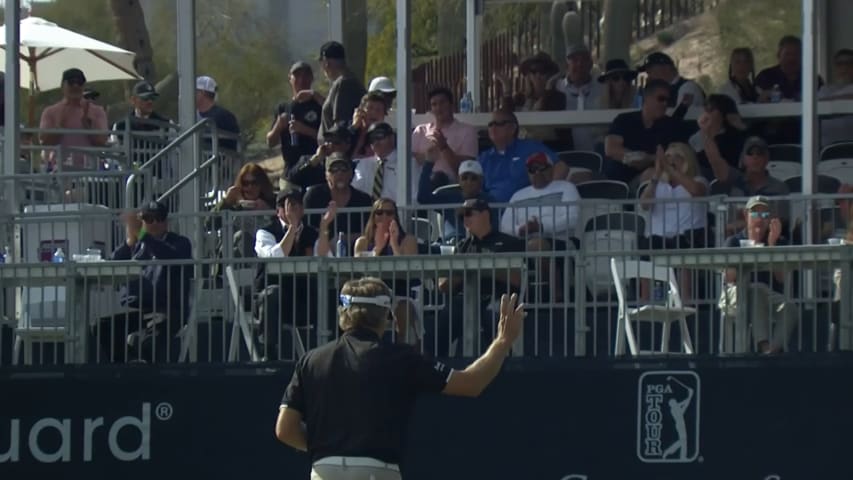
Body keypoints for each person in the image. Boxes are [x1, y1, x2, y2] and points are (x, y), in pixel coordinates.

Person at [275, 277, 525, 480]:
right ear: (387, 315)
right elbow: (472, 384)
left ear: (343, 313)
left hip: (324, 470)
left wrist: (325, 448)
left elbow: (285, 429)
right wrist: (503, 341)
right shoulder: (402, 358)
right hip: (378, 471)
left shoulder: (311, 360)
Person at [92, 200, 193, 363]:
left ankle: (144, 373)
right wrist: (129, 242)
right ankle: (129, 366)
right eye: (148, 218)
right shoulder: (137, 246)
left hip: (166, 310)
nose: (153, 223)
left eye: (158, 218)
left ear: (166, 221)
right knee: (101, 327)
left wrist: (143, 235)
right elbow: (113, 263)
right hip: (138, 310)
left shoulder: (180, 243)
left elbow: (171, 257)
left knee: (149, 343)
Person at [500, 152, 580, 301]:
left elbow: (572, 218)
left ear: (551, 169)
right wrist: (521, 230)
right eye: (532, 169)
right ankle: (510, 301)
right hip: (524, 241)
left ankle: (554, 296)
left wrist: (542, 227)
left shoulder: (566, 187)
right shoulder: (518, 195)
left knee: (537, 245)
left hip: (559, 240)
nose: (536, 172)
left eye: (541, 167)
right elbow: (505, 225)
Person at [723, 196, 797, 354]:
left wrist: (771, 246)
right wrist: (750, 250)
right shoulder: (734, 242)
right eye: (755, 214)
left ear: (770, 219)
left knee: (790, 307)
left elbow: (781, 277)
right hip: (738, 295)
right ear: (745, 215)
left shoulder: (778, 242)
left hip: (770, 295)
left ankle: (773, 349)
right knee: (756, 288)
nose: (760, 220)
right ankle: (763, 345)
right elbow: (729, 278)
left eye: (764, 215)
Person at [254, 189, 320, 360]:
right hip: (273, 300)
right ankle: (269, 353)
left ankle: (335, 351)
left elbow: (326, 258)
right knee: (271, 294)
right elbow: (275, 257)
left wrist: (326, 228)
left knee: (333, 295)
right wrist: (292, 228)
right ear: (278, 211)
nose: (293, 210)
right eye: (288, 206)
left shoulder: (312, 233)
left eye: (297, 205)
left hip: (303, 297)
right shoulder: (265, 233)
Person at [638, 144, 709, 300]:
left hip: (689, 235)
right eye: (668, 156)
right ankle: (645, 301)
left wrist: (671, 170)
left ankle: (685, 300)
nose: (670, 160)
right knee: (645, 248)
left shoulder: (699, 180)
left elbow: (697, 191)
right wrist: (656, 176)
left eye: (677, 156)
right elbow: (644, 204)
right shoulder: (658, 185)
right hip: (659, 237)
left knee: (682, 248)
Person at [353, 198, 422, 346]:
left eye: (389, 213)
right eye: (379, 213)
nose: (384, 217)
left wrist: (394, 245)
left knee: (403, 309)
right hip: (372, 295)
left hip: (401, 293)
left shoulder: (408, 240)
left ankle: (402, 351)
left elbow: (408, 269)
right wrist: (377, 249)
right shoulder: (363, 242)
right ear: (373, 216)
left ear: (395, 216)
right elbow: (360, 269)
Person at [603, 79, 687, 184]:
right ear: (647, 98)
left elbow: (679, 157)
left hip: (652, 180)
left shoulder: (671, 126)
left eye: (668, 101)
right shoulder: (624, 119)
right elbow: (611, 149)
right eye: (661, 99)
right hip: (618, 181)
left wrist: (649, 159)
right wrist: (635, 157)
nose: (665, 104)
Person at [111, 81, 175, 202]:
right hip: (131, 181)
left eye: (152, 98)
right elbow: (116, 155)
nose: (149, 102)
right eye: (145, 98)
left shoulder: (167, 124)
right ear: (133, 100)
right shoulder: (120, 126)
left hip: (159, 180)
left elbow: (174, 153)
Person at [478, 110, 557, 203]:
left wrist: (549, 194)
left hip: (527, 210)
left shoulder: (530, 147)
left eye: (499, 123)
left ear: (513, 128)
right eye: (490, 124)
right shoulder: (483, 158)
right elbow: (475, 190)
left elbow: (560, 167)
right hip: (494, 213)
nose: (493, 127)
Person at [39, 68, 109, 170]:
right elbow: (44, 142)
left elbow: (103, 142)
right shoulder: (50, 112)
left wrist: (88, 128)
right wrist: (59, 128)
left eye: (79, 82)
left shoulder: (97, 111)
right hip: (59, 171)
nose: (75, 86)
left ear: (83, 86)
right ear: (62, 86)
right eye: (71, 82)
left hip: (90, 172)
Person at [412, 87, 479, 192]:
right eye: (434, 104)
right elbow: (409, 161)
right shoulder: (420, 130)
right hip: (418, 187)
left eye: (442, 103)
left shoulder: (467, 131)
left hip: (451, 190)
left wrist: (444, 147)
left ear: (451, 105)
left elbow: (467, 171)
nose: (439, 108)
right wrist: (428, 156)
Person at [417, 159, 496, 243]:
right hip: (451, 246)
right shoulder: (448, 197)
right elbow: (423, 198)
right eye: (465, 178)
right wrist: (429, 163)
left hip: (481, 244)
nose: (469, 182)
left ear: (481, 181)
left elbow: (494, 228)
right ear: (459, 180)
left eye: (474, 178)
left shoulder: (490, 201)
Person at [267, 61, 322, 177]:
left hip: (316, 165)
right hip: (290, 169)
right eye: (297, 76)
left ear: (312, 78)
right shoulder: (283, 107)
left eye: (306, 76)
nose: (302, 80)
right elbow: (270, 142)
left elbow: (328, 137)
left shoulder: (319, 105)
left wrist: (304, 130)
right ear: (290, 78)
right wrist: (278, 126)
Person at [208, 163, 275, 259]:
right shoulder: (233, 205)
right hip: (232, 259)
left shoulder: (272, 201)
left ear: (262, 184)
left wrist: (268, 210)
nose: (250, 188)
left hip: (262, 256)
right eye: (245, 183)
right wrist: (225, 202)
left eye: (254, 183)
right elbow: (209, 224)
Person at [303, 151, 373, 243]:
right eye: (334, 169)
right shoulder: (313, 196)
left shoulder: (363, 199)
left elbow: (368, 233)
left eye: (344, 169)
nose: (339, 173)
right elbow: (305, 231)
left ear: (351, 173)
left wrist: (345, 239)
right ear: (326, 174)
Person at [553, 44, 606, 151]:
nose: (579, 64)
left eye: (584, 60)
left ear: (590, 64)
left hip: (598, 155)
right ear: (567, 64)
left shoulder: (602, 88)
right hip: (565, 155)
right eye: (574, 60)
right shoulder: (557, 88)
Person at [689, 94, 747, 180]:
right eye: (705, 109)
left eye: (711, 109)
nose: (706, 113)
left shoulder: (734, 138)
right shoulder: (695, 136)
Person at [317, 41, 366, 140]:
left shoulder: (344, 84)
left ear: (326, 63)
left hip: (337, 151)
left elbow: (340, 127)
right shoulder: (349, 80)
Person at [286, 122, 353, 191]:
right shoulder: (310, 160)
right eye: (328, 141)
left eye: (336, 143)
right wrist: (315, 160)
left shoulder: (351, 165)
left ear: (347, 145)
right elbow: (292, 178)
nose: (330, 145)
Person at [352, 122, 406, 203]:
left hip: (399, 213)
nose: (376, 141)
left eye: (380, 136)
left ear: (392, 138)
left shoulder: (407, 163)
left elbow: (414, 195)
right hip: (369, 214)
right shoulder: (363, 164)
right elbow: (355, 190)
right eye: (372, 138)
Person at [496, 51, 561, 112]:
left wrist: (548, 90)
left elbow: (542, 116)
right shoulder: (520, 98)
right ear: (528, 75)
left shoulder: (558, 98)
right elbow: (507, 118)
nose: (538, 75)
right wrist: (507, 90)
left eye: (542, 70)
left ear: (550, 74)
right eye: (533, 71)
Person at [637, 52, 705, 107]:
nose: (649, 76)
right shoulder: (664, 91)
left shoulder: (688, 88)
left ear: (666, 68)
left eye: (650, 71)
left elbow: (680, 116)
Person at [818, 49, 853, 147]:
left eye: (849, 63)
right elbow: (816, 105)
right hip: (826, 148)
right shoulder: (824, 89)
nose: (844, 67)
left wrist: (830, 100)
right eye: (840, 64)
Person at [196, 75, 240, 151]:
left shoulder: (225, 116)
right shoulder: (192, 117)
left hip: (218, 162)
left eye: (195, 91)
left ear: (202, 93)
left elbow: (233, 146)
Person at [350, 92, 390, 159]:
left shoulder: (389, 137)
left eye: (378, 110)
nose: (373, 113)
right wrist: (354, 127)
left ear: (384, 115)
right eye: (370, 108)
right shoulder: (350, 131)